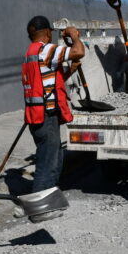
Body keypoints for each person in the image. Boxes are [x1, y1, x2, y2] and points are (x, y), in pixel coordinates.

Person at [22, 16, 85, 198]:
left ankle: (49, 196)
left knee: (55, 158)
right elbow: (79, 51)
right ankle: (39, 202)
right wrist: (74, 36)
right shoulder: (45, 49)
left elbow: (46, 84)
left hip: (37, 115)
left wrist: (69, 71)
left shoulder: (30, 54)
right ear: (48, 33)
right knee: (48, 162)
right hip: (46, 116)